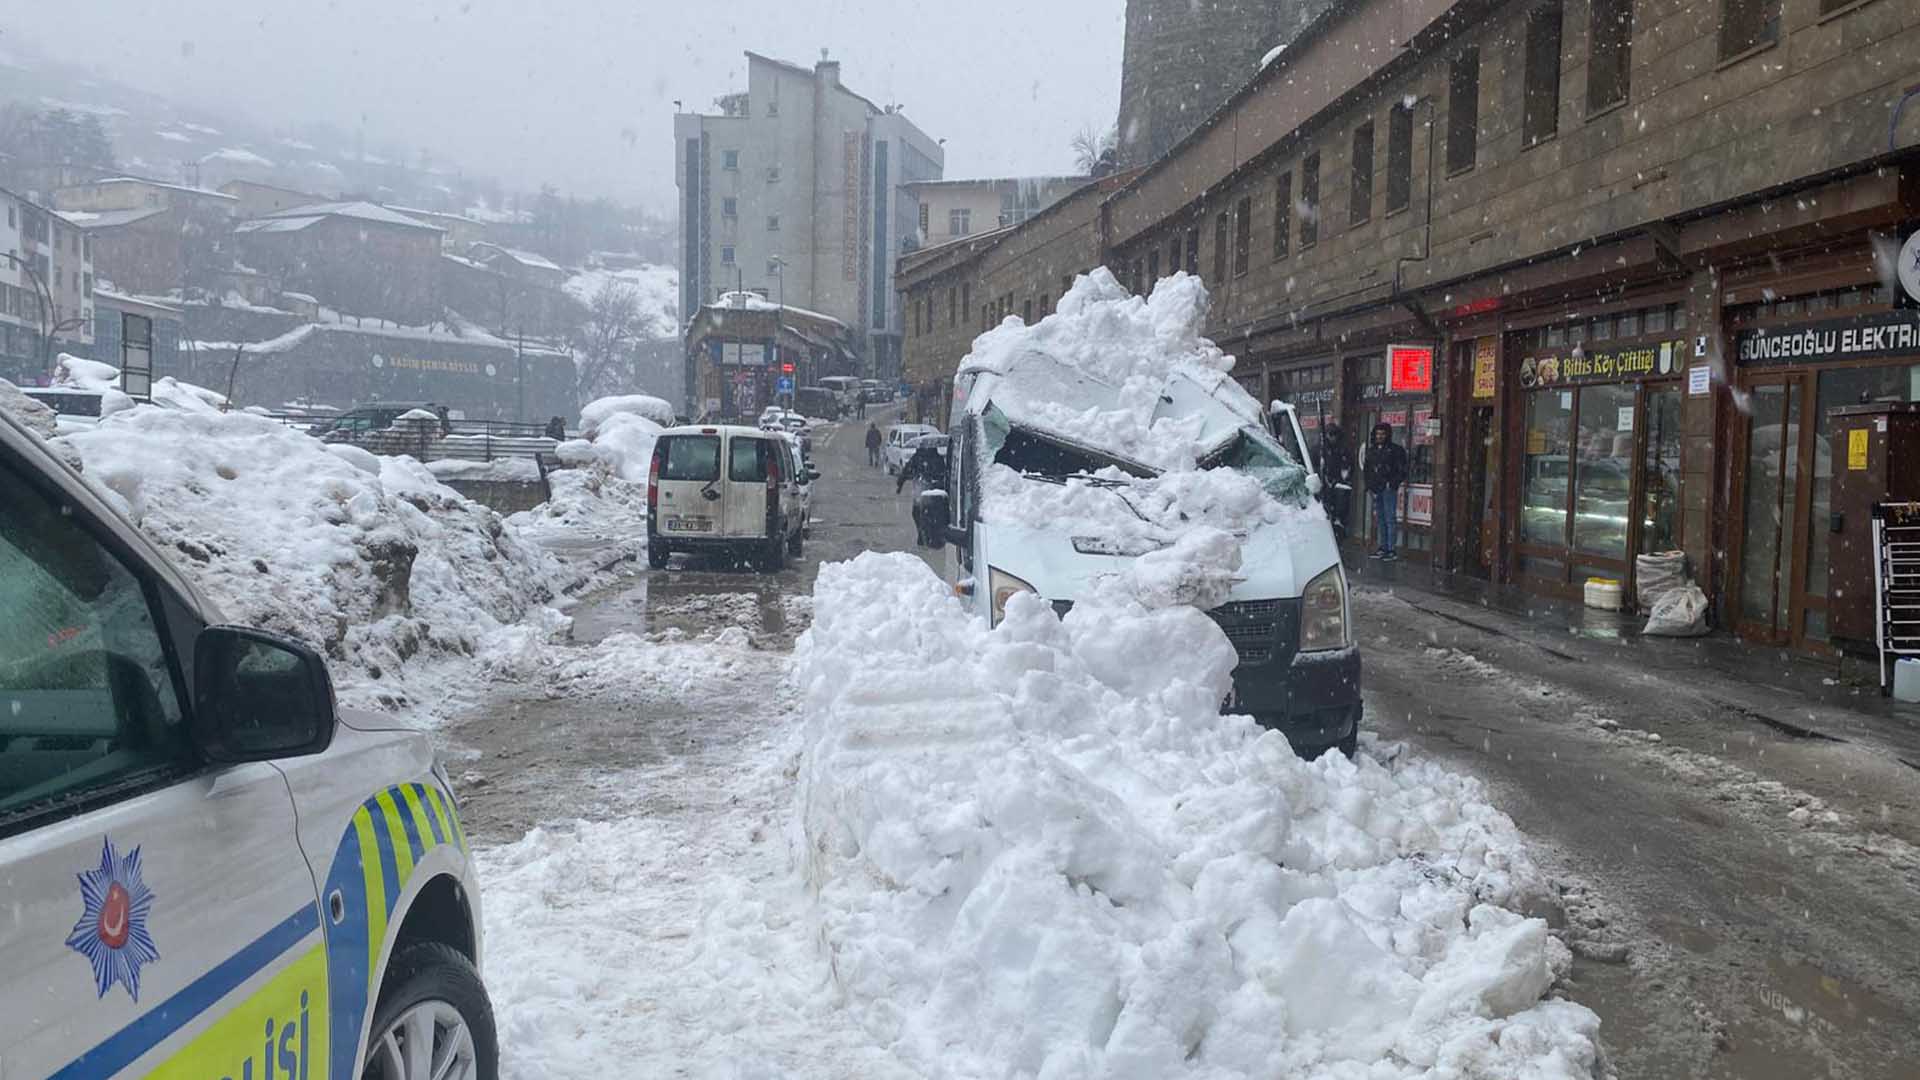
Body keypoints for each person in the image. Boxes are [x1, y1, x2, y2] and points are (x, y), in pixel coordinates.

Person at [1363, 421, 1408, 561]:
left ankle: (1391, 549)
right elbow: (1367, 470)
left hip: (1388, 489)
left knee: (1390, 518)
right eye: (1378, 434)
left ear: (1387, 435)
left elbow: (1402, 470)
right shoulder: (1372, 451)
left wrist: (1392, 483)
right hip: (1376, 489)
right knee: (1381, 519)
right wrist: (1369, 486)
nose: (1380, 436)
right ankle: (1382, 547)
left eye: (1382, 434)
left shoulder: (1395, 450)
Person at [897, 437, 951, 546]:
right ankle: (932, 536)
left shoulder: (917, 457)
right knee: (933, 516)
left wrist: (900, 484)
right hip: (936, 492)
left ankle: (922, 535)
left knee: (917, 513)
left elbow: (906, 471)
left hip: (921, 490)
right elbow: (945, 474)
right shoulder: (938, 458)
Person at [1318, 423, 1354, 540]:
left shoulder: (1343, 449)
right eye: (1329, 434)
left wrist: (1342, 479)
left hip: (1339, 486)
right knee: (1327, 512)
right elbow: (1316, 466)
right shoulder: (1321, 449)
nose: (1331, 437)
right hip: (1324, 486)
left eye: (1334, 435)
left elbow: (1347, 467)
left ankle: (1339, 532)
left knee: (1340, 512)